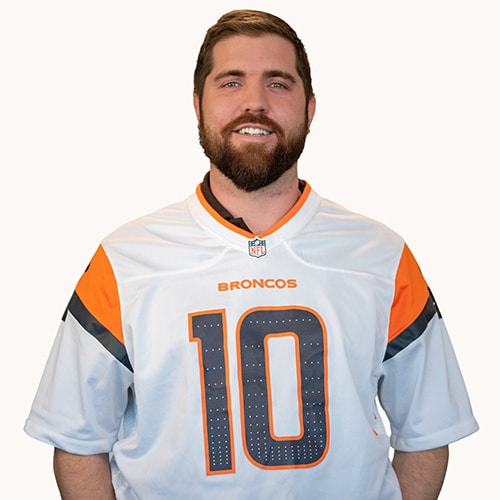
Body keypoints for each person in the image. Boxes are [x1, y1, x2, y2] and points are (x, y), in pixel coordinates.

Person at [24, 9, 478, 499]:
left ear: (310, 109)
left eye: (278, 83)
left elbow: (427, 434)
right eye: (231, 82)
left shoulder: (382, 257)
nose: (255, 102)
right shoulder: (124, 260)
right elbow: (77, 442)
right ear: (197, 106)